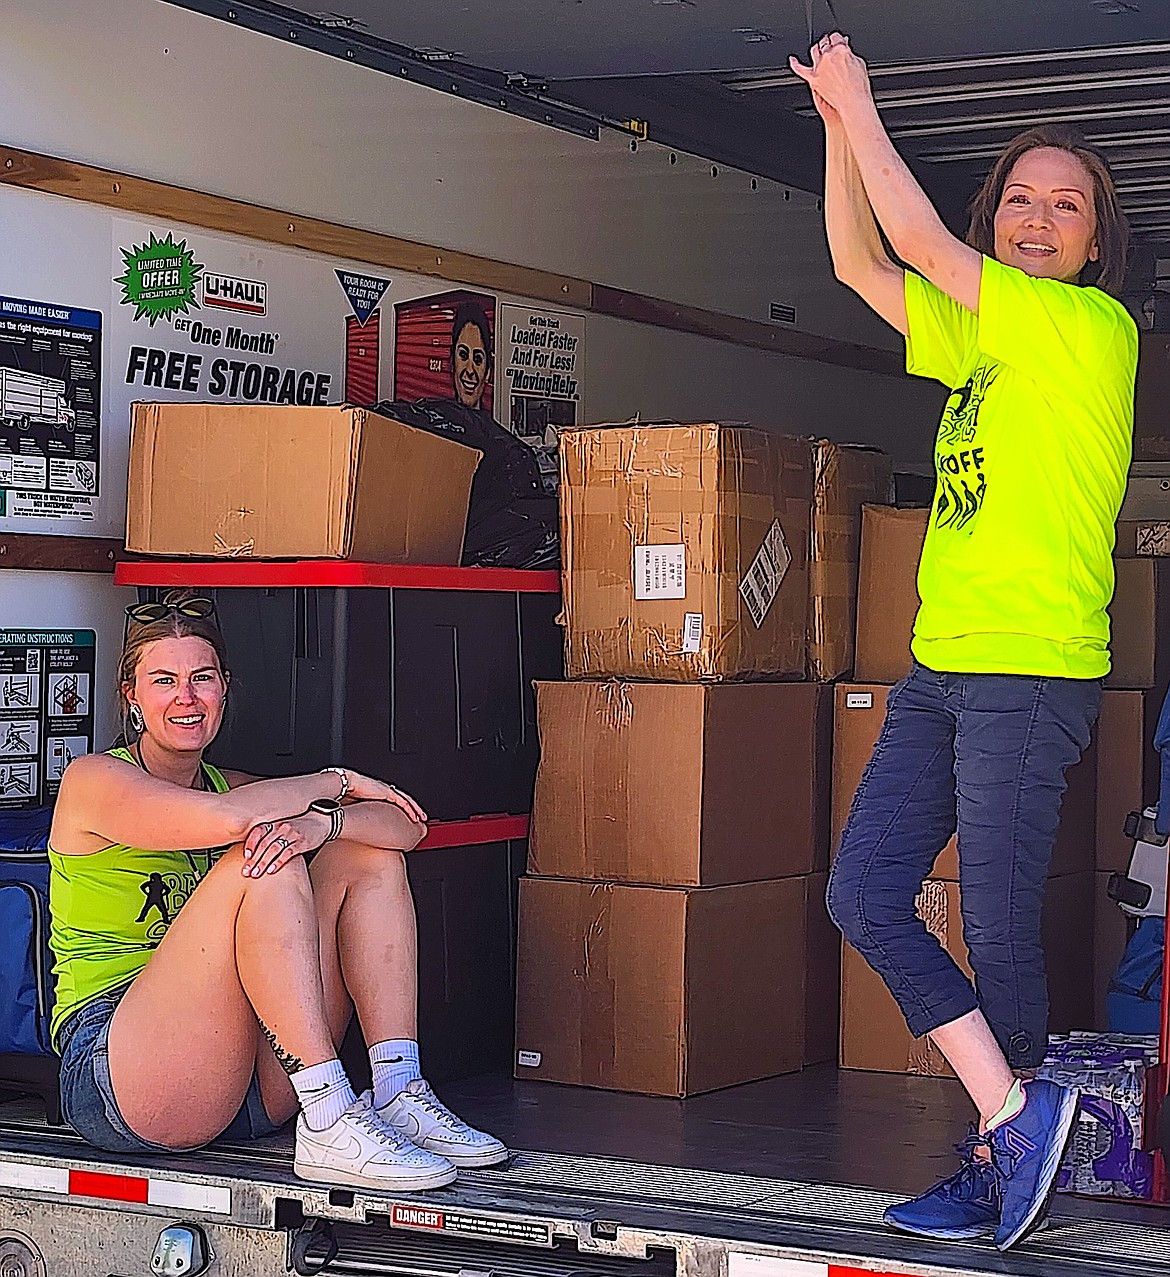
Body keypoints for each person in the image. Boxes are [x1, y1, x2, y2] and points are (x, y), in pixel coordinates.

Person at [791, 32, 1137, 1252]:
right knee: (864, 890)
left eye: (1068, 205)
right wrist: (836, 130)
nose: (1040, 221)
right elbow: (856, 257)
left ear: (1097, 240)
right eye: (1023, 201)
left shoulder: (1086, 331)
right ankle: (1014, 1112)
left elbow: (926, 244)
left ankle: (1004, 1164)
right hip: (944, 666)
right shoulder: (985, 341)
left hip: (1031, 672)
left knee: (992, 920)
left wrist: (865, 101)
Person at [48, 591, 508, 1192]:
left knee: (364, 857)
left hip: (248, 1076)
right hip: (122, 1072)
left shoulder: (233, 786)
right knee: (265, 855)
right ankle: (328, 1112)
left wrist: (326, 821)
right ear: (132, 697)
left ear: (225, 688)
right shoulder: (94, 780)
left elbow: (406, 829)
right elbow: (235, 822)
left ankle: (397, 1088)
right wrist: (335, 781)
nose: (185, 698)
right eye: (163, 680)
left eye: (202, 678)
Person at [450, 301, 492, 410]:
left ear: (487, 373)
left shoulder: (490, 427)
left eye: (478, 359)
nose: (470, 370)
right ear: (452, 364)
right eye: (463, 355)